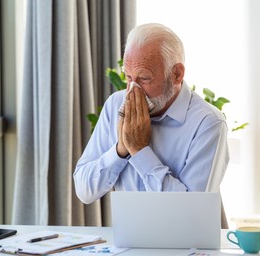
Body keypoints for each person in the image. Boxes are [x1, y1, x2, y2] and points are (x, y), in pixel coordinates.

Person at [73, 23, 229, 205]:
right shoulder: (115, 104)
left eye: (144, 78)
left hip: (183, 234)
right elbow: (83, 191)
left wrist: (139, 151)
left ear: (177, 74)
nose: (132, 90)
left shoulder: (208, 123)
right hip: (129, 233)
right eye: (128, 77)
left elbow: (192, 210)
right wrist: (120, 151)